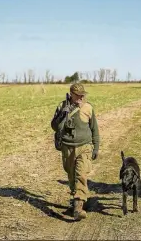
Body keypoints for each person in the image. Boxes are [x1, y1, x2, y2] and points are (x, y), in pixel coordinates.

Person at [50, 83, 100, 220]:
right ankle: (76, 201)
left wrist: (95, 147)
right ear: (71, 94)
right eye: (78, 95)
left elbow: (94, 129)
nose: (81, 97)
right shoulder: (62, 106)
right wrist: (62, 114)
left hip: (85, 146)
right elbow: (54, 126)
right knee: (72, 176)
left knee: (81, 175)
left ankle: (78, 208)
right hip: (67, 147)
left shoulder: (88, 107)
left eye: (83, 94)